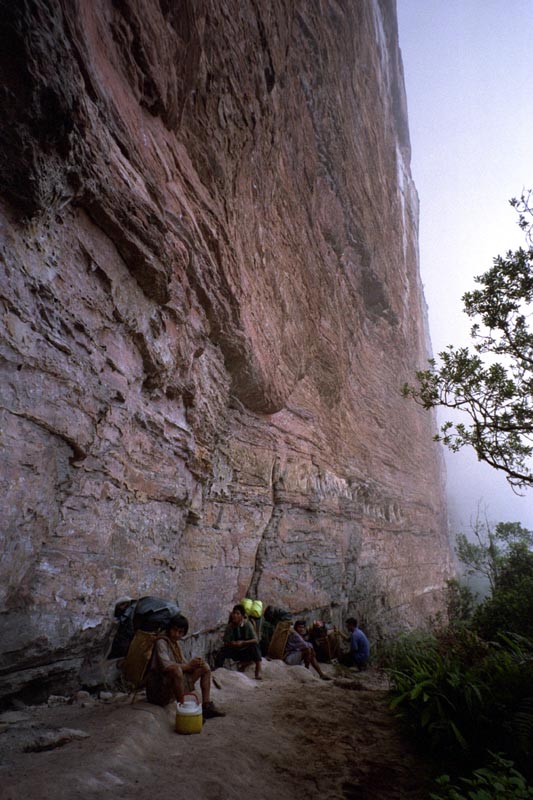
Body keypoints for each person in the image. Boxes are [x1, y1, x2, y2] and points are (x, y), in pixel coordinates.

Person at [145, 614, 225, 719]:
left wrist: (195, 663)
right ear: (169, 628)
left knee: (204, 667)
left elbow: (185, 664)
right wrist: (188, 666)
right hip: (158, 690)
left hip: (172, 686)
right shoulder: (161, 642)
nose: (177, 634)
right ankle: (184, 711)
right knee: (176, 670)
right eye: (175, 630)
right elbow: (166, 666)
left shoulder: (176, 644)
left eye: (180, 632)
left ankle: (206, 706)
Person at [218, 604, 263, 680]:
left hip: (245, 650)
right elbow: (225, 641)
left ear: (242, 616)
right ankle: (218, 670)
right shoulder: (230, 626)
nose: (235, 615)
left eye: (237, 613)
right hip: (235, 650)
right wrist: (232, 643)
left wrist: (243, 643)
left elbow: (256, 639)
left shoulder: (247, 624)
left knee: (255, 647)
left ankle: (258, 670)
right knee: (222, 651)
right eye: (234, 613)